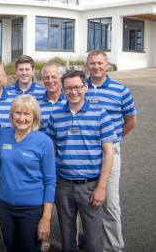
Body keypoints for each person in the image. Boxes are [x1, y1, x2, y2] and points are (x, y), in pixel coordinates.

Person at [46, 70, 116, 252]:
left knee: (93, 242)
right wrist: (52, 186)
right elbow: (52, 152)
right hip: (64, 186)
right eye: (68, 88)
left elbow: (109, 153)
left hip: (90, 187)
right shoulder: (55, 117)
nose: (73, 92)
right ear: (62, 89)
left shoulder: (101, 115)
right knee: (68, 241)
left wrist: (101, 188)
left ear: (85, 87)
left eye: (77, 87)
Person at [84, 50, 137, 252]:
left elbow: (131, 121)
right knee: (86, 198)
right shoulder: (82, 87)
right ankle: (89, 240)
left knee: (110, 201)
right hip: (85, 151)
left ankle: (113, 246)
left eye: (100, 63)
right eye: (92, 63)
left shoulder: (120, 90)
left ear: (107, 65)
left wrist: (113, 140)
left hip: (110, 151)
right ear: (87, 65)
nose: (96, 67)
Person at [0, 95, 56, 252]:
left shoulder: (44, 142)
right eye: (17, 113)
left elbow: (50, 182)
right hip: (5, 206)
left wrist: (46, 218)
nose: (21, 118)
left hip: (32, 209)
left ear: (35, 116)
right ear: (11, 115)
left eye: (27, 114)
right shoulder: (3, 135)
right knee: (11, 247)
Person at [37, 62, 67, 132]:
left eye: (54, 77)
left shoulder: (69, 101)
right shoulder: (35, 103)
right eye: (47, 77)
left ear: (61, 78)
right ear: (42, 80)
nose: (50, 81)